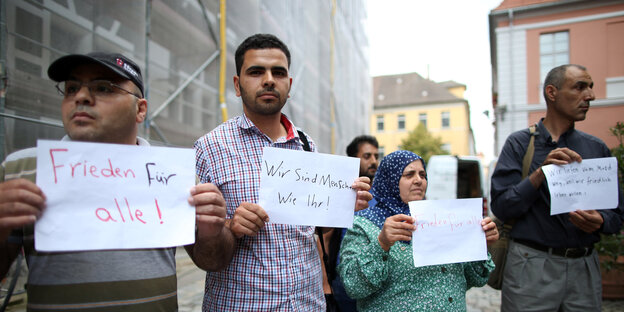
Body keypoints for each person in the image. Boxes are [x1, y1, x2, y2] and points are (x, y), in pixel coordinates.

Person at [0, 52, 229, 311]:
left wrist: (212, 232)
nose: (81, 97)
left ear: (140, 109)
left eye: (103, 88)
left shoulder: (172, 176)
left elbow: (211, 261)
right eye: (71, 88)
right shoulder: (21, 169)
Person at [192, 33, 372, 311]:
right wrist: (229, 227)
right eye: (256, 72)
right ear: (238, 85)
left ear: (289, 85)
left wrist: (344, 203)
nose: (268, 79)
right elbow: (202, 254)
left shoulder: (306, 144)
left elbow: (313, 229)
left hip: (306, 304)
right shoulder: (209, 148)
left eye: (278, 72)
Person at [490, 64, 624, 311]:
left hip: (584, 268)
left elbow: (617, 216)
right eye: (580, 87)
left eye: (591, 87)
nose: (591, 96)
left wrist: (601, 221)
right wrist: (540, 173)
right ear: (552, 93)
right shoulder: (519, 144)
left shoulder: (596, 149)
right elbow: (502, 206)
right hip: (530, 267)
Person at [338, 150, 498, 311]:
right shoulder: (365, 224)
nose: (418, 180)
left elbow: (476, 278)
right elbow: (354, 286)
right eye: (409, 175)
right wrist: (382, 243)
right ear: (390, 179)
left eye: (422, 175)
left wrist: (479, 244)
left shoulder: (442, 220)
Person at [326, 134, 380, 311]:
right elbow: (325, 237)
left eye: (376, 156)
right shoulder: (340, 193)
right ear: (353, 159)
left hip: (374, 285)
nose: (373, 161)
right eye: (367, 156)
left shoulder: (381, 198)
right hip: (343, 286)